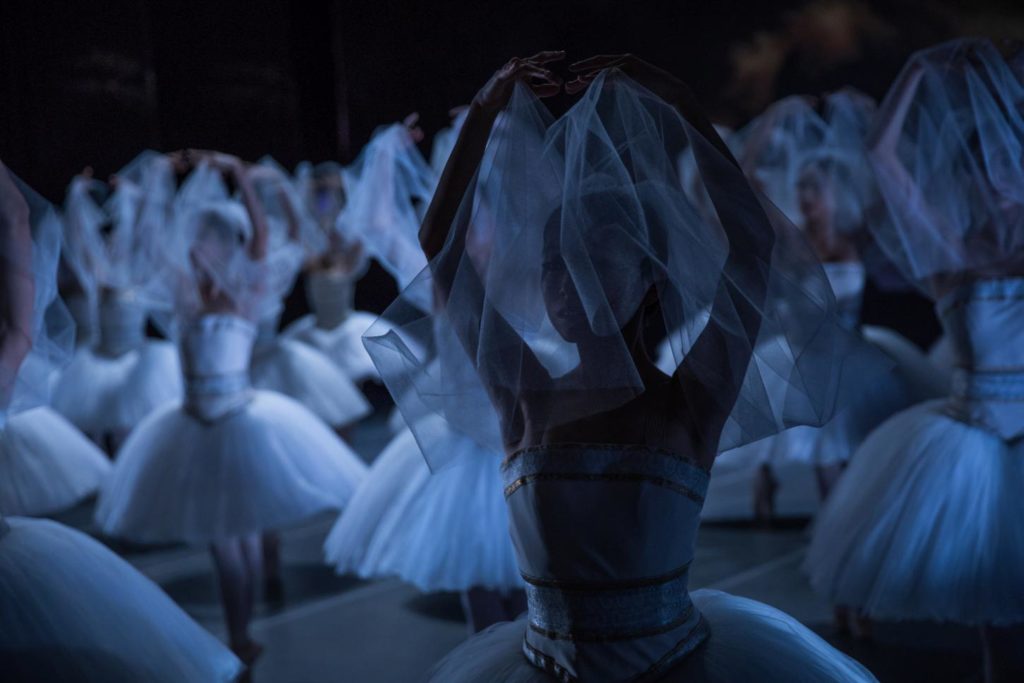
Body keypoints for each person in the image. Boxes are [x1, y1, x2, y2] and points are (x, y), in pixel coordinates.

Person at [368, 51, 877, 681]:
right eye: (556, 265)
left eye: (592, 261)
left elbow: (751, 245)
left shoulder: (691, 397)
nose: (566, 283)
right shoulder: (522, 394)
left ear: (648, 280)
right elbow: (440, 243)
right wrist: (485, 108)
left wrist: (679, 102)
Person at [805, 39, 1024, 681]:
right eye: (981, 167)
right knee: (996, 631)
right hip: (975, 446)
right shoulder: (949, 252)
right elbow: (884, 157)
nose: (995, 178)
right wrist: (919, 75)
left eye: (1003, 162)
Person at [95, 151, 367, 667]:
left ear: (228, 244)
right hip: (193, 423)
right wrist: (156, 184)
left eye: (214, 239)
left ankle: (245, 630)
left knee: (240, 534)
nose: (204, 248)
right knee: (222, 543)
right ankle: (240, 633)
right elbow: (152, 244)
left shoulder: (249, 290)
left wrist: (239, 176)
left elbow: (263, 238)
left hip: (240, 418)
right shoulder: (182, 296)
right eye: (198, 239)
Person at [0, 161, 242, 683]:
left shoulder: (144, 273)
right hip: (115, 364)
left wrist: (139, 201)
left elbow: (138, 241)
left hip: (160, 375)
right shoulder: (94, 281)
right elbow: (34, 227)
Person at [53, 153, 183, 455]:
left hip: (138, 359)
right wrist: (77, 197)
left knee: (139, 423)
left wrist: (140, 193)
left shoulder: (138, 270)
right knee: (101, 425)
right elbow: (79, 240)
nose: (112, 243)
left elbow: (148, 231)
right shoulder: (96, 271)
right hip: (102, 359)